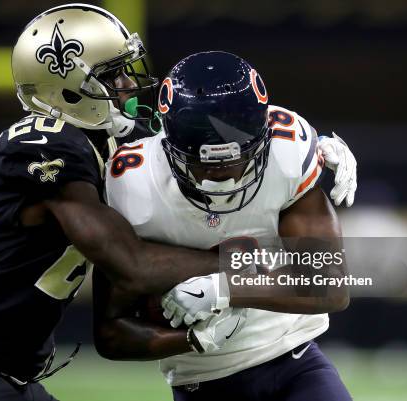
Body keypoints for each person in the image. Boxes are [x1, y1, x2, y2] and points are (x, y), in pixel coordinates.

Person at [0, 5, 229, 401]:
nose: (128, 84)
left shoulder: (103, 139)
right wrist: (243, 265)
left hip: (10, 376)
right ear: (68, 87)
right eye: (113, 74)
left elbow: (192, 146)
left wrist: (305, 152)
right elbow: (129, 263)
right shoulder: (41, 144)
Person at [94, 51, 354, 401]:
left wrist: (226, 288)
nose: (223, 179)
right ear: (168, 145)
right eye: (204, 165)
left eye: (239, 159)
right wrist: (192, 339)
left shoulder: (287, 153)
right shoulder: (131, 185)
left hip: (294, 360)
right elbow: (110, 333)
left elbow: (329, 284)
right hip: (203, 381)